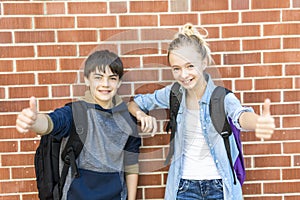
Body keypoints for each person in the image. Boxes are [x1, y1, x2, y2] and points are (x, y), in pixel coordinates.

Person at [127, 23, 275, 200]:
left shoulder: (222, 97)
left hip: (220, 188)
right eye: (176, 68)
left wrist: (258, 123)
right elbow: (135, 103)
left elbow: (240, 116)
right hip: (183, 187)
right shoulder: (173, 94)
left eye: (190, 66)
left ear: (204, 62)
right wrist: (142, 114)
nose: (183, 74)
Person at [16, 50, 141, 200]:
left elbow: (131, 164)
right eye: (98, 77)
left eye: (112, 78)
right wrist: (35, 122)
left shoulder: (128, 120)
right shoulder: (75, 113)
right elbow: (53, 122)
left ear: (119, 82)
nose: (105, 84)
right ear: (87, 80)